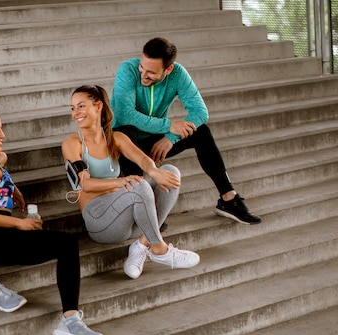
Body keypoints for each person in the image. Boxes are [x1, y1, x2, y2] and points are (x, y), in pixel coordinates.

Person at [0, 104, 103, 335]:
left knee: (68, 243)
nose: (2, 135)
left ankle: (70, 320)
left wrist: (14, 191)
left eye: (1, 129)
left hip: (8, 237)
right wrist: (18, 223)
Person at [110, 37, 262, 225]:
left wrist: (170, 137)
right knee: (126, 131)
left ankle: (228, 199)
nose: (143, 75)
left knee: (202, 132)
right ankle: (142, 206)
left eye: (151, 72)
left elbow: (200, 112)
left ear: (168, 69)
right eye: (142, 67)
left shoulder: (178, 74)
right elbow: (125, 115)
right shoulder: (128, 70)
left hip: (153, 140)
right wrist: (168, 126)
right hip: (122, 145)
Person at [62, 85, 200, 280]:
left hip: (128, 219)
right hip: (100, 221)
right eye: (73, 108)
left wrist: (153, 171)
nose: (76, 113)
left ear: (98, 106)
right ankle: (159, 249)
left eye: (81, 106)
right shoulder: (72, 144)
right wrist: (120, 182)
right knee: (139, 185)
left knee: (170, 172)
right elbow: (85, 184)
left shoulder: (116, 138)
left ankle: (142, 245)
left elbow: (143, 160)